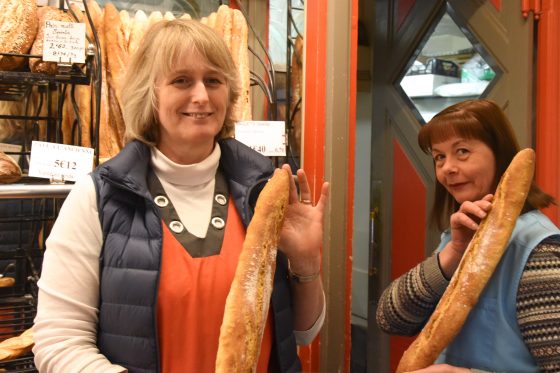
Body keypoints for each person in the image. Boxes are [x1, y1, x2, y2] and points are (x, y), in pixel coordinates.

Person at [32, 19, 329, 372]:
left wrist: (307, 265)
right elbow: (58, 341)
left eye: (214, 81)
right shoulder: (98, 199)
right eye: (181, 81)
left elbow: (301, 332)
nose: (201, 96)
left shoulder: (262, 192)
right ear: (150, 93)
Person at [376, 99, 560, 372]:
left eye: (462, 151)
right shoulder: (458, 236)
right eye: (439, 156)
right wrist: (452, 254)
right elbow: (391, 319)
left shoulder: (540, 253)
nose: (447, 168)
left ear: (500, 155)